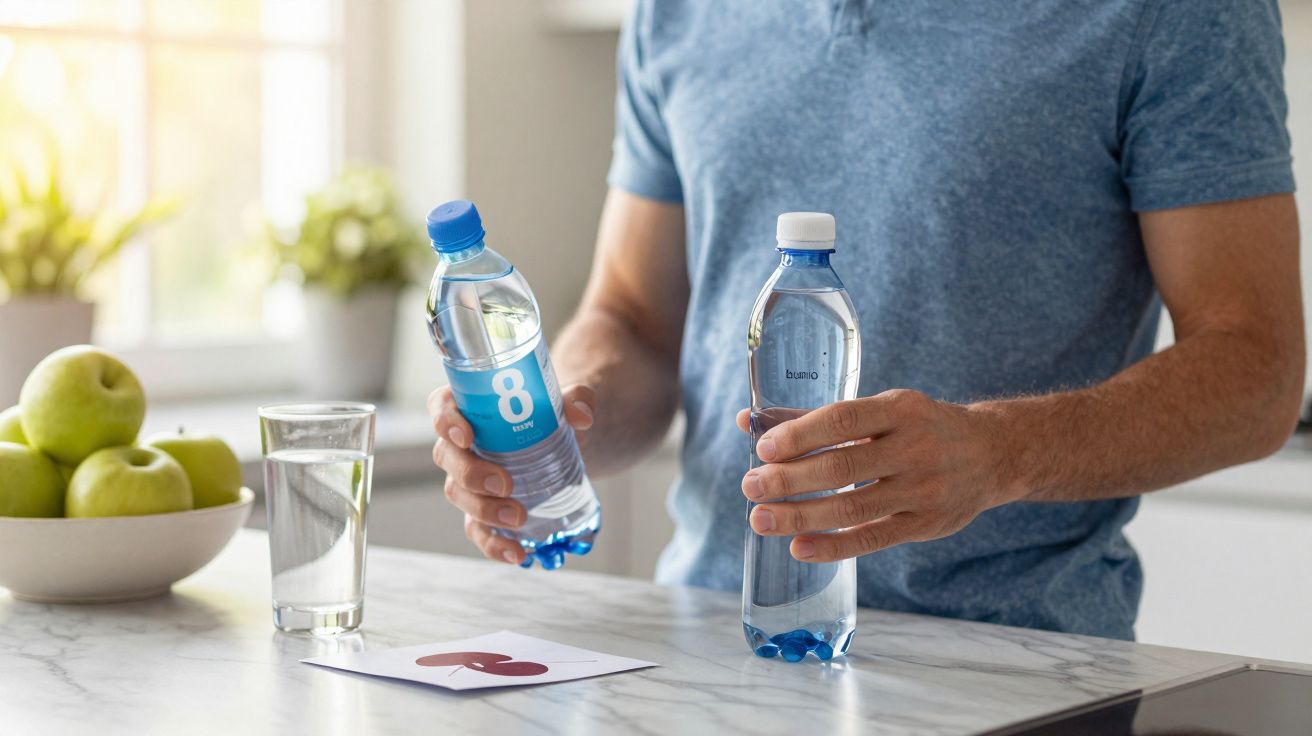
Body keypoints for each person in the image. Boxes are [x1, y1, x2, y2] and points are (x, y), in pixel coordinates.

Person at [428, 0, 1306, 639]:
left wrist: (996, 453)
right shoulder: (677, 13)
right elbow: (633, 317)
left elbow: (1257, 369)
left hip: (1015, 666)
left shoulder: (1178, 14)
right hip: (709, 648)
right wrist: (560, 423)